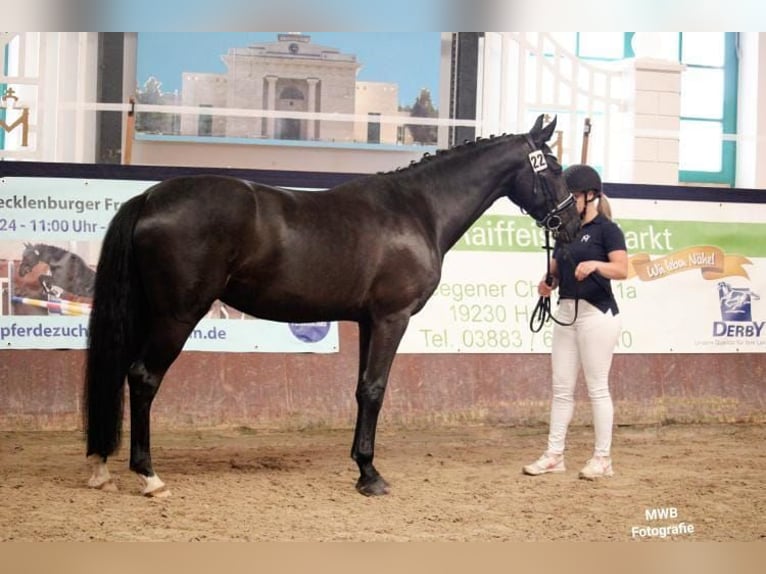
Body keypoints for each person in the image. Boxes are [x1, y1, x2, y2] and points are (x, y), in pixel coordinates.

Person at [523, 164, 628, 480]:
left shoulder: (608, 230)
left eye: (573, 196)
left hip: (596, 314)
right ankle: (555, 455)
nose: (567, 202)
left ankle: (603, 458)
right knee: (561, 389)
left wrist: (595, 264)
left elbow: (622, 269)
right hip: (566, 312)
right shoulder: (564, 230)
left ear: (590, 196)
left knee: (597, 388)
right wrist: (548, 281)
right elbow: (555, 267)